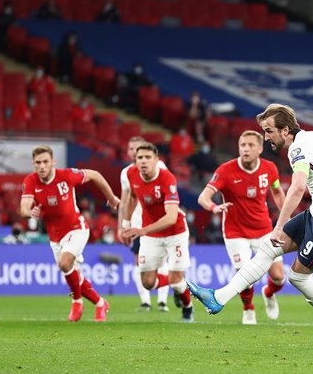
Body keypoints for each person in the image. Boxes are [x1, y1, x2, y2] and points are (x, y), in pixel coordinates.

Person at [188, 104, 313, 347]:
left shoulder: (297, 148)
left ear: (285, 130)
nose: (266, 138)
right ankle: (218, 298)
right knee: (268, 248)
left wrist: (280, 225)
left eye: (269, 131)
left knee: (298, 277)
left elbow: (298, 187)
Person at [20, 145, 120, 322]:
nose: (42, 166)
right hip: (55, 237)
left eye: (45, 162)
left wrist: (111, 198)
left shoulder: (66, 175)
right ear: (33, 164)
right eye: (38, 163)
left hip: (77, 228)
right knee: (75, 276)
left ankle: (76, 301)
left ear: (53, 162)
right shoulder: (30, 181)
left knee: (65, 263)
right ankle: (99, 303)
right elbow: (23, 208)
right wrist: (30, 212)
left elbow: (95, 175)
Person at [197, 130, 286, 325]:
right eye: (242, 145)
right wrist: (213, 207)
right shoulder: (225, 171)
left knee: (279, 277)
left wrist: (286, 216)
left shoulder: (270, 169)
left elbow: (277, 192)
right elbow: (203, 197)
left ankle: (269, 293)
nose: (245, 149)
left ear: (260, 148)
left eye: (250, 145)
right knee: (246, 277)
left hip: (264, 229)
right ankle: (248, 309)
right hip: (235, 232)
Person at [120, 142, 194, 322]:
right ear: (135, 161)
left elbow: (170, 218)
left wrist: (142, 230)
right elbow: (131, 196)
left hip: (175, 232)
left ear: (156, 161)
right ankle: (176, 284)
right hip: (151, 235)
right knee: (147, 282)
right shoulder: (131, 174)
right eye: (140, 158)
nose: (143, 161)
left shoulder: (167, 179)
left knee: (176, 281)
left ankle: (187, 309)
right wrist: (126, 223)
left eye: (147, 158)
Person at [117, 136, 170, 312]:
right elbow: (125, 201)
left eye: (137, 148)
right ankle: (145, 301)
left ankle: (163, 301)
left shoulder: (159, 167)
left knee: (161, 262)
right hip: (137, 225)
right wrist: (122, 226)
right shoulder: (126, 173)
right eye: (131, 148)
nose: (134, 152)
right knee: (139, 263)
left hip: (157, 224)